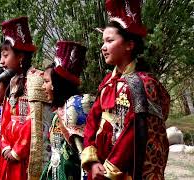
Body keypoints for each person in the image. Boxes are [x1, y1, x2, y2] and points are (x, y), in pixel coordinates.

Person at [81, 0, 170, 179]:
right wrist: (92, 160)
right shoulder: (108, 82)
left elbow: (135, 133)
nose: (103, 47)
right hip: (99, 164)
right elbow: (92, 120)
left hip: (123, 169)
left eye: (109, 41)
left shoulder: (144, 84)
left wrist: (110, 168)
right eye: (103, 41)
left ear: (129, 45)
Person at [0, 16, 51, 180]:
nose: (1, 62)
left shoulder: (36, 79)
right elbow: (6, 118)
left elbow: (35, 122)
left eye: (5, 55)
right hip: (9, 153)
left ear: (20, 56)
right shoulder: (13, 81)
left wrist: (17, 151)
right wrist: (5, 146)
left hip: (24, 156)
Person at [40, 41, 94, 180]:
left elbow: (85, 154)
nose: (43, 87)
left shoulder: (76, 108)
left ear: (57, 84)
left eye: (46, 82)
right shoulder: (56, 113)